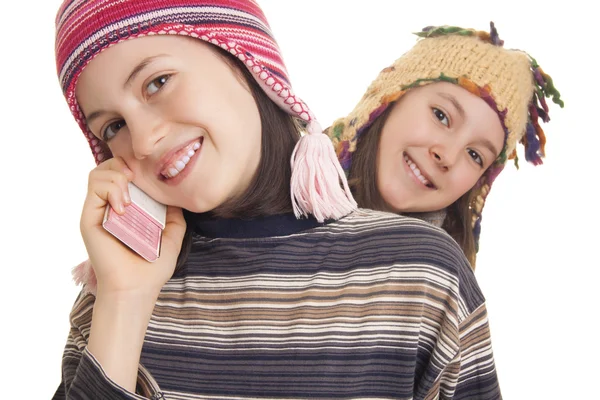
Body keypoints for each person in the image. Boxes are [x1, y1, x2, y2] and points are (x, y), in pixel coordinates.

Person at [53, 2, 502, 399]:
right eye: (113, 127)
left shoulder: (422, 274)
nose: (145, 142)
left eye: (158, 83)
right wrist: (126, 300)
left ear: (246, 59)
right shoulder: (113, 295)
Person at [328, 23, 563, 267]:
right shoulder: (289, 175)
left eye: (474, 155)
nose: (448, 156)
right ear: (391, 95)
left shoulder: (442, 280)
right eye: (441, 116)